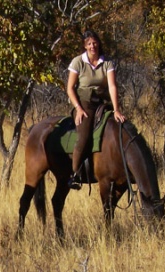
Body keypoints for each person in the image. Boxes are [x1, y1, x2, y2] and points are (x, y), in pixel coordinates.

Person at [65, 29, 126, 190]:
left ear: (99, 43)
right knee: (84, 135)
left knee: (120, 128)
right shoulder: (78, 62)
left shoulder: (107, 62)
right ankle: (75, 174)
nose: (93, 46)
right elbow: (70, 88)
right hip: (84, 102)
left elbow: (112, 86)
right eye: (89, 43)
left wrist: (116, 109)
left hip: (102, 101)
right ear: (85, 46)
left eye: (95, 42)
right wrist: (78, 108)